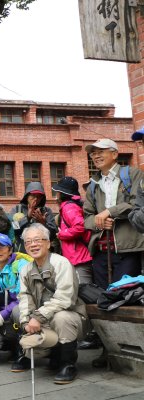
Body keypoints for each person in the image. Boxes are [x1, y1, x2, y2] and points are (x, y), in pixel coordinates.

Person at [84, 138, 144, 368]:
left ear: (114, 154)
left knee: (124, 298)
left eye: (101, 152)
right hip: (101, 249)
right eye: (93, 153)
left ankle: (130, 347)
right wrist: (99, 223)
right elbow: (86, 217)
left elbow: (136, 204)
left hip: (127, 247)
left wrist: (110, 211)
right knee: (101, 298)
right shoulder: (93, 184)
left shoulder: (133, 175)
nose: (96, 156)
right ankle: (107, 349)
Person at [12, 224, 86, 384]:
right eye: (28, 242)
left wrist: (37, 317)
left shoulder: (61, 263)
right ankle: (43, 354)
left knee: (62, 317)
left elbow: (65, 298)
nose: (33, 244)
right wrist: (26, 322)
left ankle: (68, 364)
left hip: (73, 318)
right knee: (18, 311)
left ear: (48, 243)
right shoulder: (25, 270)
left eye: (38, 240)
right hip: (44, 319)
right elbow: (24, 297)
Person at [53, 177, 92, 284]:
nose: (56, 196)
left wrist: (61, 234)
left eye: (57, 192)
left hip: (79, 258)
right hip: (76, 258)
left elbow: (80, 227)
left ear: (62, 193)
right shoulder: (69, 206)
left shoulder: (69, 207)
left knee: (85, 292)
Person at [9, 182, 58, 252]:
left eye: (39, 197)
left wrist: (43, 223)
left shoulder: (46, 211)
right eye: (33, 196)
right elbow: (13, 230)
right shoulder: (17, 209)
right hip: (22, 252)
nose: (36, 199)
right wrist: (27, 217)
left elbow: (53, 235)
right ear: (27, 196)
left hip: (41, 252)